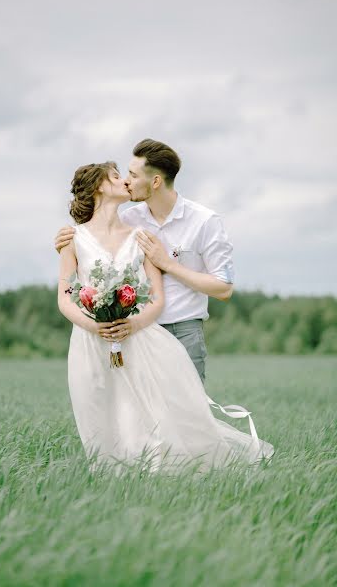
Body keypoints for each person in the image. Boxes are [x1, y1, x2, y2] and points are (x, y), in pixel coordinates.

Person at [58, 160, 274, 474]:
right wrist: (96, 326)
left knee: (148, 416)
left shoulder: (141, 236)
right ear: (98, 187)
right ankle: (112, 482)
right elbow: (65, 298)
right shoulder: (72, 240)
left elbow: (157, 299)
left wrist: (130, 323)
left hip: (137, 338)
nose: (126, 182)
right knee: (103, 414)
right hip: (91, 342)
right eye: (117, 177)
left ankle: (158, 476)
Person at [55, 138, 235, 385]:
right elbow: (96, 243)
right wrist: (68, 244)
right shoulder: (129, 219)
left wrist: (169, 265)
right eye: (123, 175)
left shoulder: (204, 221)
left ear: (156, 181)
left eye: (132, 175)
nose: (127, 181)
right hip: (135, 334)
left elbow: (224, 288)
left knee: (188, 411)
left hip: (183, 330)